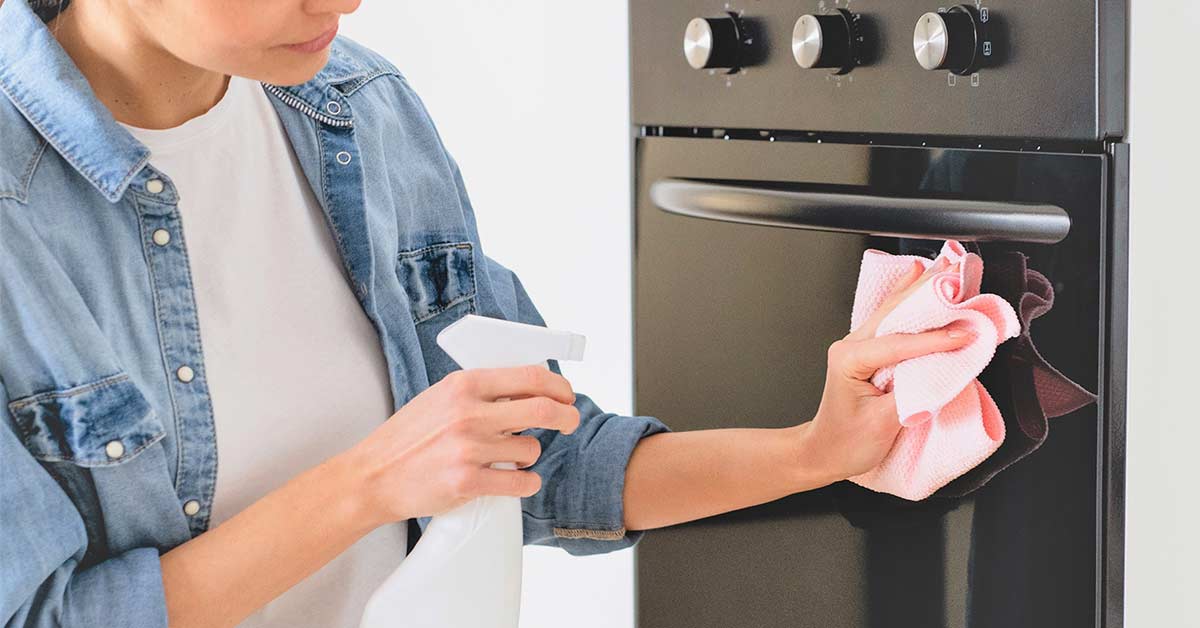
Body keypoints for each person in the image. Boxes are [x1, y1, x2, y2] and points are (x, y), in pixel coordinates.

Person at [0, 1, 971, 626]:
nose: (341, 1)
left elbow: (541, 466)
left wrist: (820, 446)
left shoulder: (358, 112)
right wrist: (369, 482)